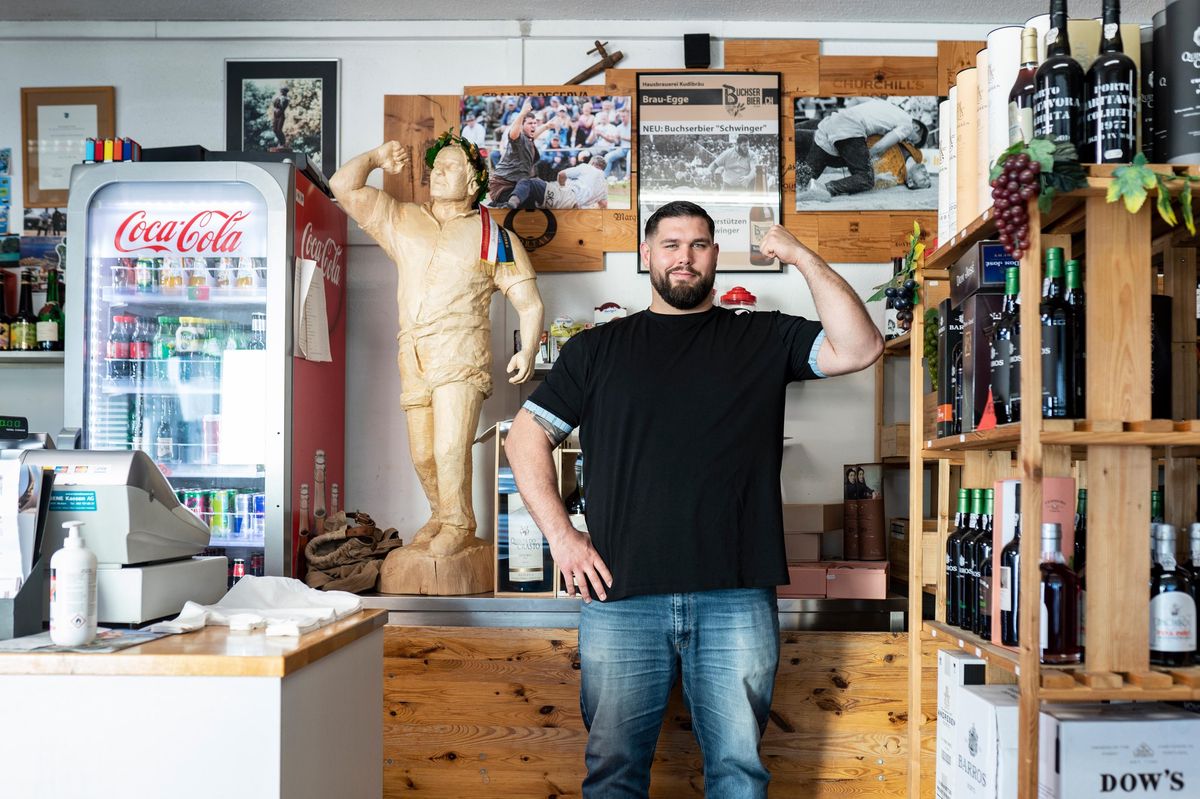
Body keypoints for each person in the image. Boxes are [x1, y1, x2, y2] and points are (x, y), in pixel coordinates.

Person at [503, 200, 882, 797]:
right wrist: (562, 537)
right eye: (672, 244)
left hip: (734, 594)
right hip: (621, 596)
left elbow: (860, 348)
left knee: (738, 774)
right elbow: (526, 436)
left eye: (699, 244)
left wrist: (802, 256)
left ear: (715, 257)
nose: (685, 256)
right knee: (613, 774)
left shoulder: (762, 335)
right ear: (647, 255)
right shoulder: (597, 350)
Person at [330, 135, 544, 561]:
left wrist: (529, 348)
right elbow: (342, 187)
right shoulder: (401, 218)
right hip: (412, 348)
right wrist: (374, 157)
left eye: (449, 166)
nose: (436, 172)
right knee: (424, 452)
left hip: (461, 349)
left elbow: (529, 301)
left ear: (473, 183)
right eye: (436, 166)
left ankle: (460, 524)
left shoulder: (492, 236)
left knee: (450, 446)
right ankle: (440, 514)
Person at [796, 98, 929, 199]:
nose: (906, 141)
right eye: (911, 139)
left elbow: (857, 98)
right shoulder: (907, 125)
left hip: (831, 124)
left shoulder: (888, 106)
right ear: (916, 128)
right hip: (850, 130)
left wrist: (845, 115)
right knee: (866, 178)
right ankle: (826, 188)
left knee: (802, 181)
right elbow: (880, 146)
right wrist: (866, 158)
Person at [488, 99, 556, 206]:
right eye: (530, 123)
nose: (533, 125)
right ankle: (501, 204)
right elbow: (513, 134)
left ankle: (502, 204)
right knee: (528, 183)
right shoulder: (518, 138)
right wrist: (522, 113)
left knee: (533, 194)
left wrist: (546, 126)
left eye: (535, 123)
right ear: (522, 126)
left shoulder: (529, 139)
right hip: (502, 186)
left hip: (514, 186)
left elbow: (534, 135)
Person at [505, 155, 609, 210]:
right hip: (574, 205)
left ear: (592, 163)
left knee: (529, 182)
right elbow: (603, 205)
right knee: (533, 195)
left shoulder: (587, 167)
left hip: (565, 196)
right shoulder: (604, 186)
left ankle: (511, 203)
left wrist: (562, 187)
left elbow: (561, 174)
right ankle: (513, 204)